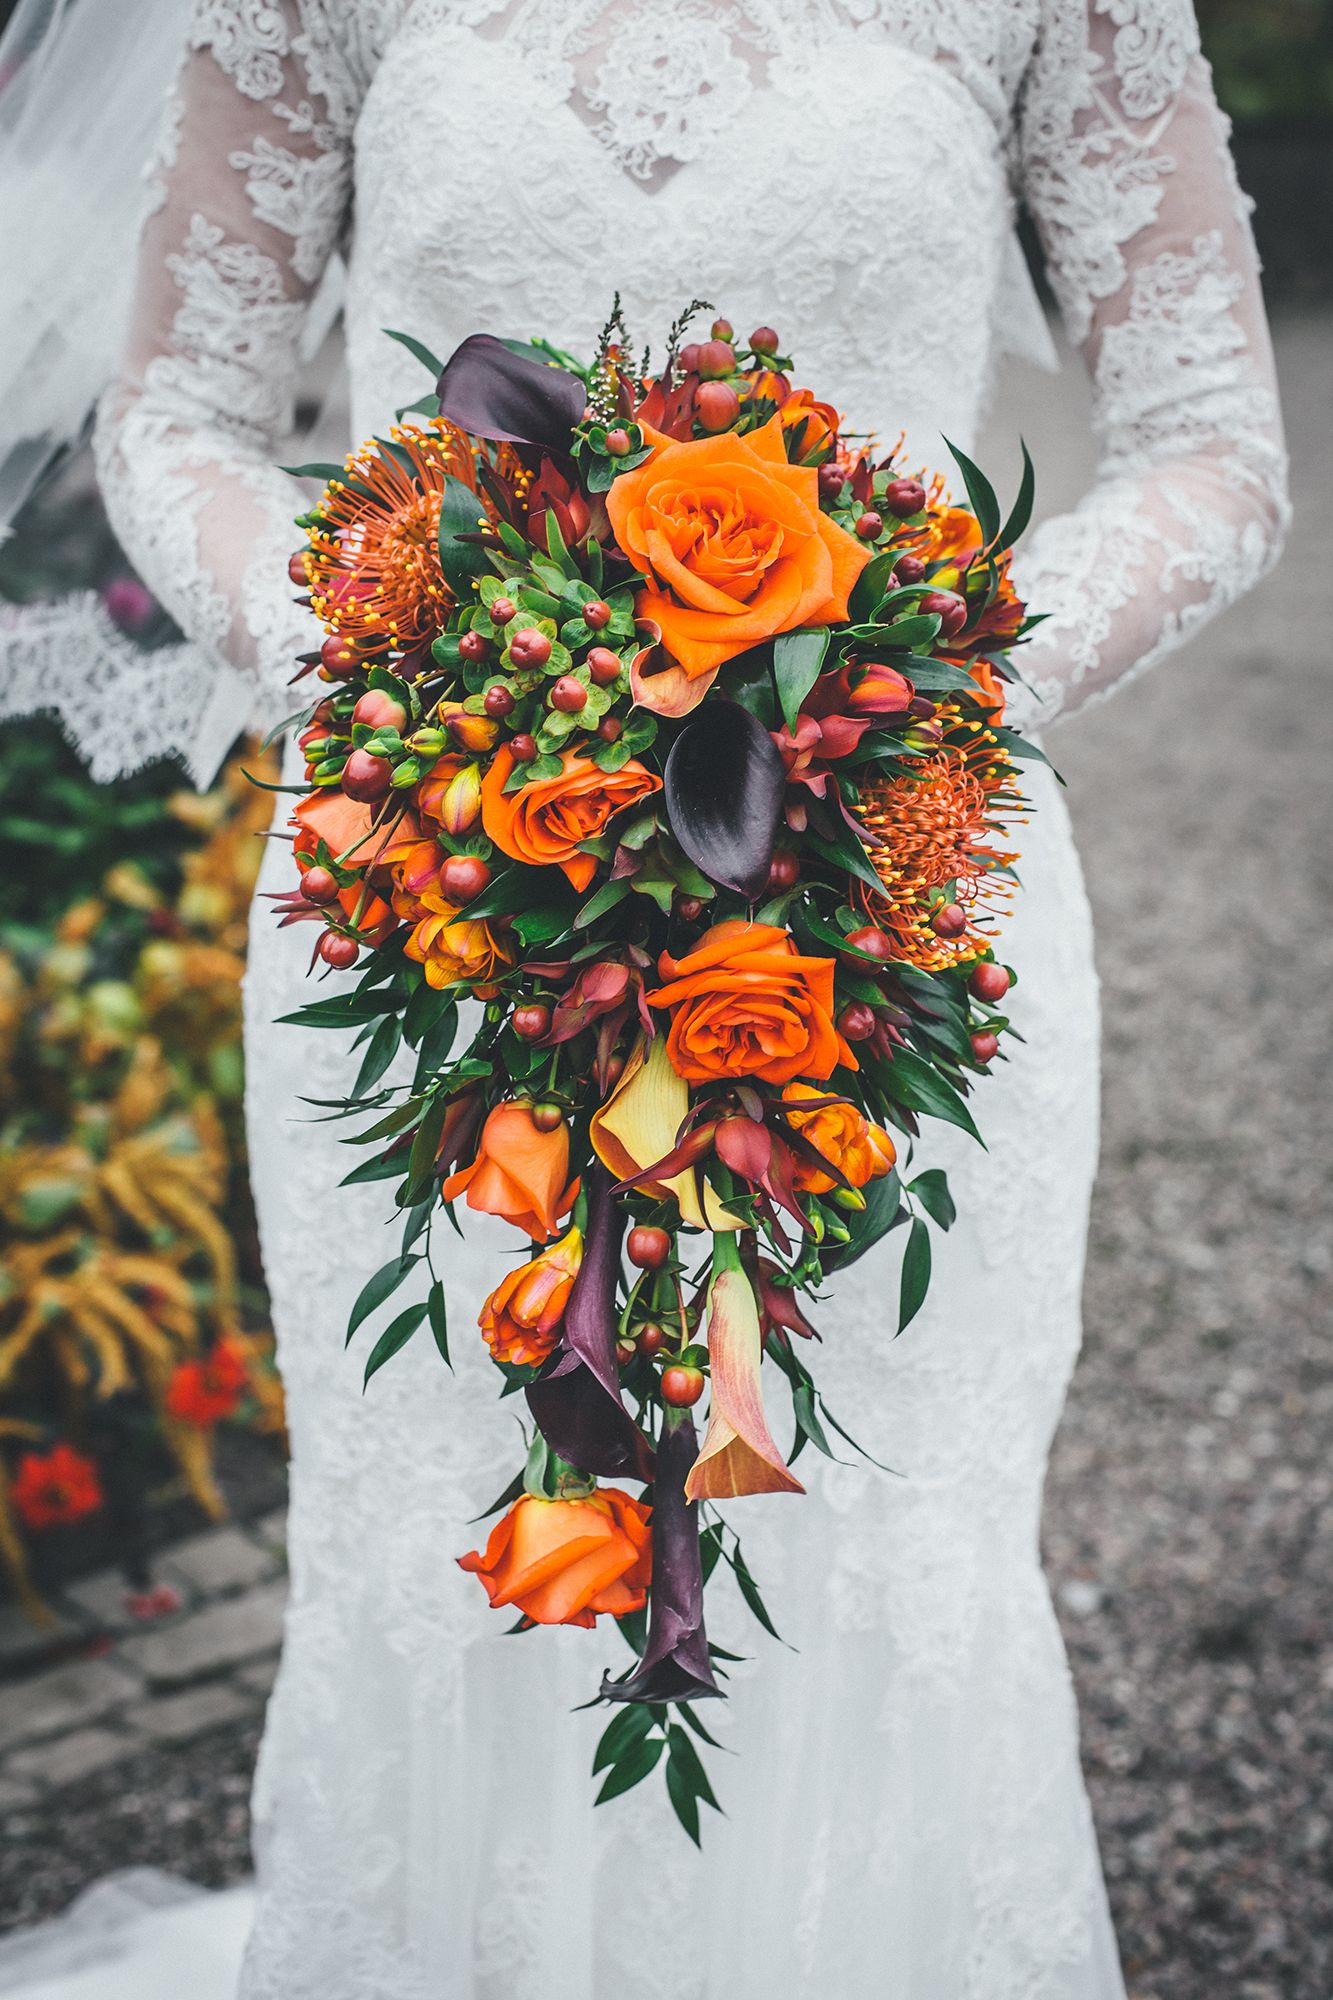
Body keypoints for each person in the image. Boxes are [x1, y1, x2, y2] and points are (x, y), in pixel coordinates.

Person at [0, 3, 1288, 1996]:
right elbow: (175, 422)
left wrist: (914, 682)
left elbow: (1214, 451)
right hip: (437, 882)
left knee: (868, 1535)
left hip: (899, 887)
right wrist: (397, 676)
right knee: (462, 1523)